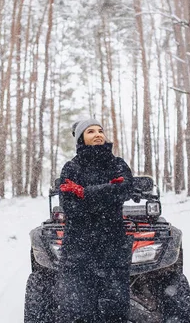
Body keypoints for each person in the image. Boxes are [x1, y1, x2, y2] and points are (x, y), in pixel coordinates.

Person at [56, 118, 134, 323]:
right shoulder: (71, 168)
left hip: (113, 246)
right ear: (82, 138)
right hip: (78, 249)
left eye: (100, 130)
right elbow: (71, 207)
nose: (98, 134)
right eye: (91, 131)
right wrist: (108, 192)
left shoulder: (118, 164)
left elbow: (125, 190)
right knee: (78, 311)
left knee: (116, 310)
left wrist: (83, 192)